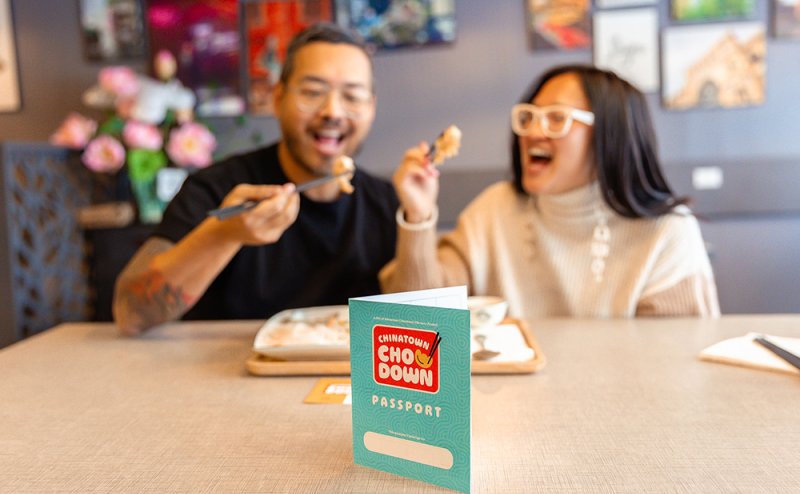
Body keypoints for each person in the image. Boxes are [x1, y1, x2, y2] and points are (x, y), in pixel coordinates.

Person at [113, 23, 399, 335]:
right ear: (278, 98)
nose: (333, 111)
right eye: (313, 92)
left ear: (371, 108)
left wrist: (420, 220)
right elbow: (130, 312)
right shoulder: (216, 188)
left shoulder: (385, 203)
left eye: (353, 96)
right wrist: (223, 235)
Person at [381, 65, 720, 318]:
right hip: (512, 407)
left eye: (556, 119)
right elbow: (416, 318)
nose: (533, 133)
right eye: (529, 117)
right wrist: (419, 215)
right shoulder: (495, 209)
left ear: (610, 135)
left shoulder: (667, 232)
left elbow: (675, 370)